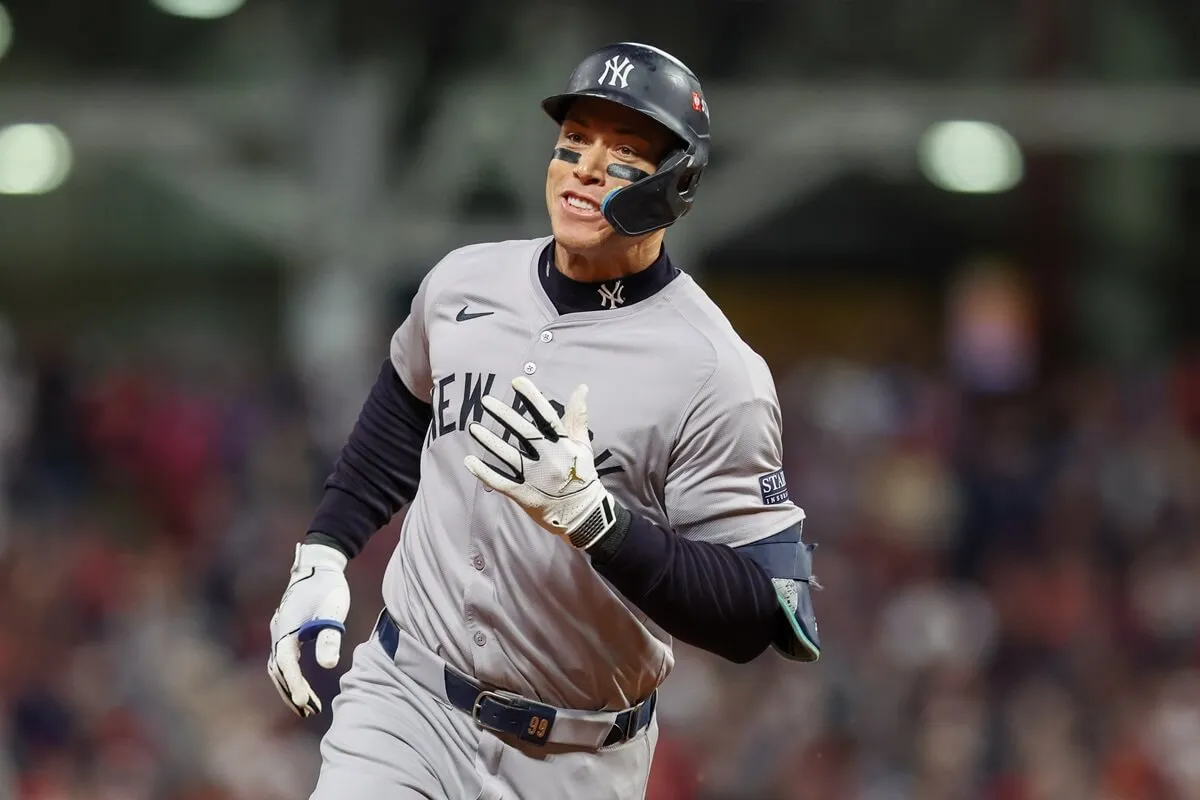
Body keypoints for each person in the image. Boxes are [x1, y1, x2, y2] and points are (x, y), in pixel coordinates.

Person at [267, 41, 822, 800]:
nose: (587, 168)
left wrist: (600, 524)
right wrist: (324, 553)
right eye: (573, 143)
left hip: (576, 757)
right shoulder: (464, 282)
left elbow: (763, 610)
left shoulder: (714, 370)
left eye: (625, 151)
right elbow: (404, 403)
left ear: (676, 183)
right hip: (406, 705)